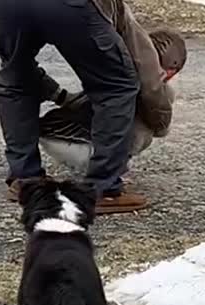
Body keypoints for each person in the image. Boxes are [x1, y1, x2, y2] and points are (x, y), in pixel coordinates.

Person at [0, 0, 173, 214]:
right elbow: (147, 80)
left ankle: (25, 179)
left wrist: (62, 96)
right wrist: (161, 122)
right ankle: (103, 189)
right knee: (116, 85)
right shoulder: (120, 12)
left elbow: (22, 74)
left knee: (15, 77)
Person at [36, 28, 187, 195]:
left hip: (64, 128)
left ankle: (110, 168)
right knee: (137, 130)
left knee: (139, 129)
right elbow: (161, 127)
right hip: (71, 138)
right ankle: (105, 181)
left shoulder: (125, 70)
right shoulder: (135, 84)